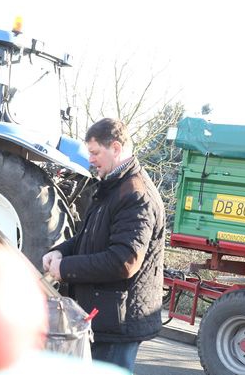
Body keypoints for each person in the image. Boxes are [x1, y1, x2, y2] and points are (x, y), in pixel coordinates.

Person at [42, 118, 165, 372]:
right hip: (105, 315)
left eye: (95, 152)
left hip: (118, 322)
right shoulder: (112, 187)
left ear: (116, 148)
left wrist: (65, 268)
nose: (91, 159)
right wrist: (60, 251)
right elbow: (87, 237)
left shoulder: (135, 195)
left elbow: (124, 261)